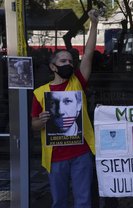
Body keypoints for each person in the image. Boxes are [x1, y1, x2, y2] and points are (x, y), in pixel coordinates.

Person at [31, 9, 99, 208]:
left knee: (83, 201)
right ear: (53, 67)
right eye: (63, 61)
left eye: (70, 61)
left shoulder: (77, 82)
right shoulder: (40, 93)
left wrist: (93, 24)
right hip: (55, 156)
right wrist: (41, 120)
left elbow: (88, 54)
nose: (68, 64)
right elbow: (34, 124)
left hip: (81, 154)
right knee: (59, 201)